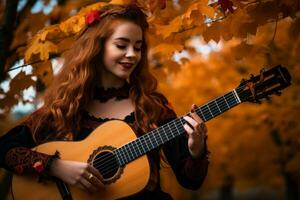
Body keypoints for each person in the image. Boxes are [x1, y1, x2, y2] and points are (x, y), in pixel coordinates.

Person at [0, 4, 209, 199]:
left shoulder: (153, 106)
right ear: (97, 46)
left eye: (138, 47)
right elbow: (5, 148)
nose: (131, 54)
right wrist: (56, 167)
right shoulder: (65, 105)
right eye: (121, 45)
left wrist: (196, 151)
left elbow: (190, 181)